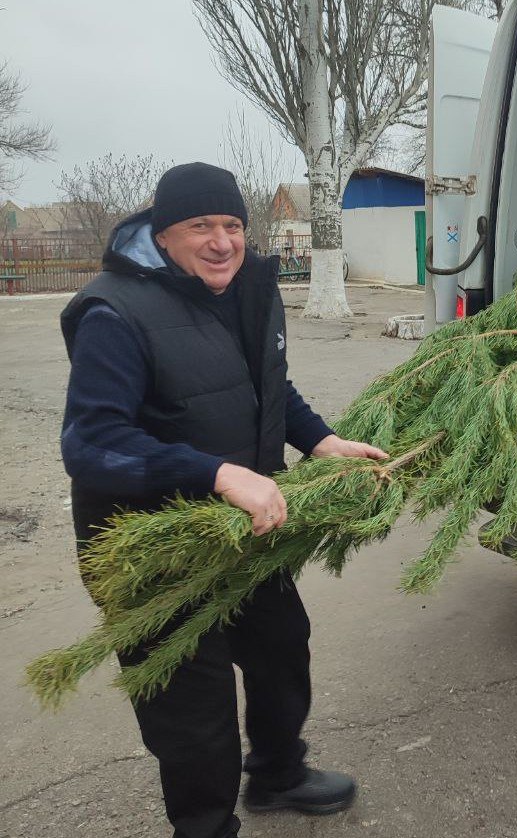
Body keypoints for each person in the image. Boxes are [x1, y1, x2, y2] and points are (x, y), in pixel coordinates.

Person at [60, 162, 388, 838]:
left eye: (233, 225)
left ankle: (276, 773)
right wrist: (217, 473)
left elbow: (272, 388)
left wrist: (321, 440)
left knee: (280, 647)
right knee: (193, 704)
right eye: (199, 226)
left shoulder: (250, 292)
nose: (221, 241)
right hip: (151, 542)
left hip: (245, 525)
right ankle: (206, 830)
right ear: (162, 234)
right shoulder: (113, 311)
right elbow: (92, 444)